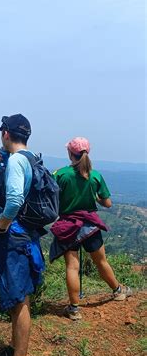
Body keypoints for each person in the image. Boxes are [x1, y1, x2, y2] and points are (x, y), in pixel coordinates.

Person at [0, 114, 46, 356]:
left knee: (19, 299)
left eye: (2, 132)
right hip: (26, 236)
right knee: (16, 296)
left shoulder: (18, 162)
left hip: (15, 237)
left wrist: (1, 225)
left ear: (6, 134)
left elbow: (13, 200)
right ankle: (13, 351)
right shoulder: (29, 157)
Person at [50, 137, 132, 321]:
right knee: (101, 261)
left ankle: (73, 309)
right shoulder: (95, 176)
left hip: (68, 225)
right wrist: (94, 196)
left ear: (70, 153)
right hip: (90, 225)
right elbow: (108, 203)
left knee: (72, 266)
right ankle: (118, 291)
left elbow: (52, 197)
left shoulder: (60, 174)